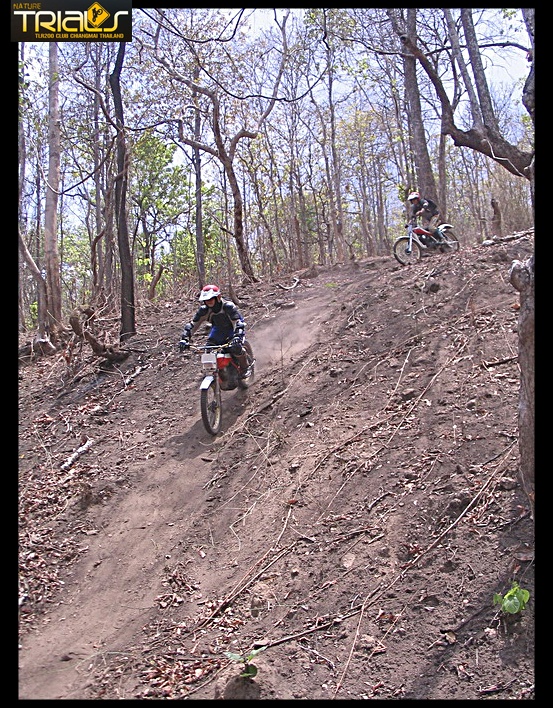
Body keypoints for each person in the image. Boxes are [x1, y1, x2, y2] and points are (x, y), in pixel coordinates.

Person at [179, 284, 249, 376]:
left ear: (218, 297)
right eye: (206, 300)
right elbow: (192, 325)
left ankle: (245, 368)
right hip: (218, 329)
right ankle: (212, 373)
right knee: (208, 350)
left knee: (235, 347)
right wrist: (185, 339)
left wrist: (237, 336)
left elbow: (237, 322)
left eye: (211, 299)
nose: (209, 302)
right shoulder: (204, 311)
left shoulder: (228, 306)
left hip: (233, 328)